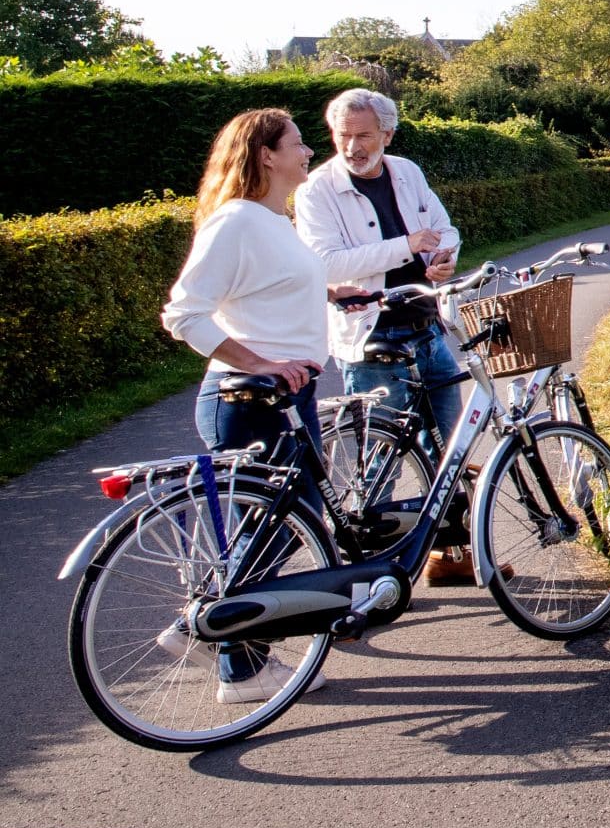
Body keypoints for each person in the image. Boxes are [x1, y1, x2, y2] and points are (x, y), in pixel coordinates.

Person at [161, 107, 333, 703]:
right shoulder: (235, 220)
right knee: (277, 528)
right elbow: (184, 313)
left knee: (283, 526)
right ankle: (226, 651)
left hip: (290, 395)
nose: (309, 152)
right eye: (298, 143)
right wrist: (258, 362)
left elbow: (268, 290)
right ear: (266, 155)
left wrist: (337, 293)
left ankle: (227, 647)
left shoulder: (271, 220)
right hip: (248, 398)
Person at [294, 86, 478, 582]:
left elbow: (445, 228)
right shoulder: (316, 190)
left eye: (364, 136)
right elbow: (324, 262)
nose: (353, 146)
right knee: (378, 466)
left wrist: (444, 258)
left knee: (448, 450)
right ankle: (368, 578)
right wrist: (407, 247)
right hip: (372, 338)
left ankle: (448, 556)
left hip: (427, 326)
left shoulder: (408, 172)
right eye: (342, 135)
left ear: (387, 134)